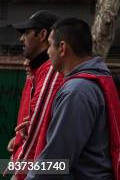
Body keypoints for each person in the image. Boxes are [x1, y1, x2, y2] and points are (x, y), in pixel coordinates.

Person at [27, 17, 120, 180]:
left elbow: (57, 159)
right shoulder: (100, 78)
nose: (48, 51)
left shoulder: (77, 91)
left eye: (49, 44)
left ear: (62, 48)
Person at [9, 11, 64, 179]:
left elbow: (38, 137)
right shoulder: (37, 71)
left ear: (43, 35)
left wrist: (18, 171)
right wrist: (19, 140)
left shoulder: (51, 72)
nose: (21, 39)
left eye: (26, 32)